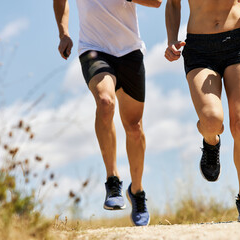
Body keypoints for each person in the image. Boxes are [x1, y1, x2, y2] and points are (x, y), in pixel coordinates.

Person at [53, 0, 162, 226]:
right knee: (105, 101)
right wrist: (64, 33)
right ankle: (113, 180)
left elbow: (157, 2)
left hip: (130, 51)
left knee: (134, 127)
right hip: (94, 49)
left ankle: (137, 191)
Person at [165, 0, 240, 222]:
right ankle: (211, 142)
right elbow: (173, 4)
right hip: (199, 49)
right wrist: (172, 39)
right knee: (212, 120)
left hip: (239, 40)